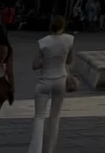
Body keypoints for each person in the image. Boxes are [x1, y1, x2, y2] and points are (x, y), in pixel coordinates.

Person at [28, 14, 73, 153]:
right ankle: (49, 150)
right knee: (55, 117)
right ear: (63, 26)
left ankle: (35, 149)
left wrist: (45, 62)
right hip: (61, 80)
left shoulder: (43, 42)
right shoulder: (69, 40)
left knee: (39, 117)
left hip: (45, 81)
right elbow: (69, 61)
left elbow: (35, 65)